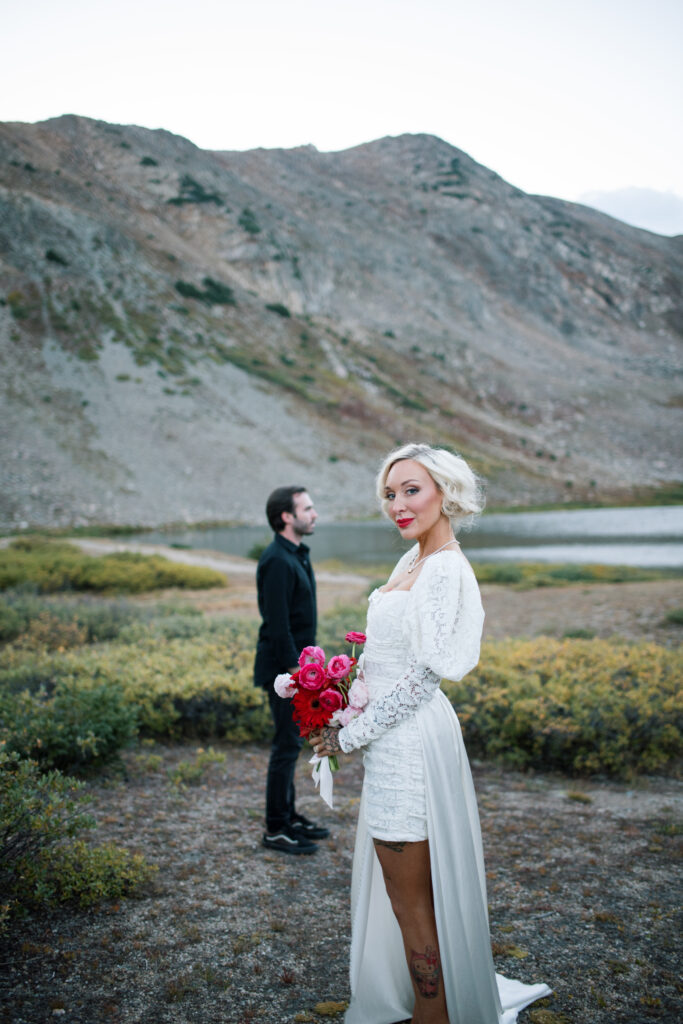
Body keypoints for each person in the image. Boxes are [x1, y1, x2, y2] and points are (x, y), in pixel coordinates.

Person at [310, 444, 550, 1024]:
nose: (398, 504)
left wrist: (348, 737)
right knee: (410, 895)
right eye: (390, 494)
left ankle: (433, 1016)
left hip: (410, 743)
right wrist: (338, 701)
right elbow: (385, 660)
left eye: (411, 490)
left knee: (410, 900)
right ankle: (429, 1005)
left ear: (445, 491)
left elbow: (421, 681)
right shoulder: (413, 560)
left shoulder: (444, 567)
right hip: (392, 738)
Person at [254, 485, 330, 855]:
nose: (314, 514)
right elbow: (278, 625)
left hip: (296, 672)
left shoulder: (296, 554)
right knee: (285, 746)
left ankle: (289, 816)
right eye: (308, 508)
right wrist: (295, 678)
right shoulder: (277, 561)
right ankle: (276, 828)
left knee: (292, 742)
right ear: (287, 516)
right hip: (283, 675)